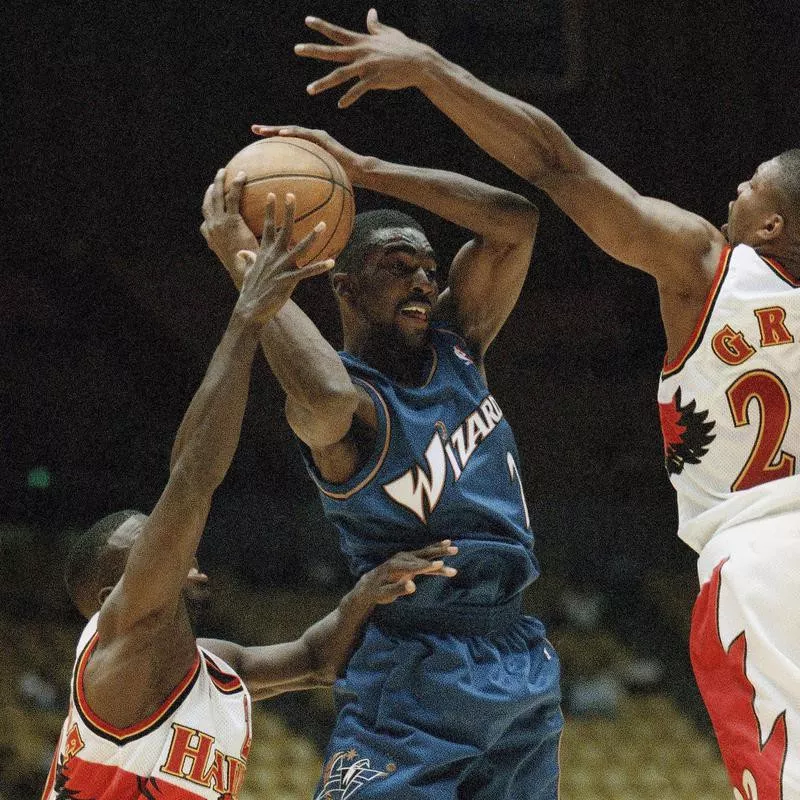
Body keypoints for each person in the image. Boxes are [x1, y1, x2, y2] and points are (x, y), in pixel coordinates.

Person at [292, 9, 800, 799]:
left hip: (761, 556)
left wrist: (429, 69)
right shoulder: (378, 384)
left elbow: (552, 166)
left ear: (771, 223)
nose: (734, 190)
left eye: (750, 187)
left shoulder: (706, 262)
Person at [41, 195, 458, 800]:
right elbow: (188, 482)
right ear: (112, 600)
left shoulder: (212, 667)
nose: (173, 540)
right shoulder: (116, 656)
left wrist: (367, 591)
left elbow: (317, 659)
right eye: (149, 541)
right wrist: (247, 319)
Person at [202, 126, 563, 799]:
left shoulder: (462, 344)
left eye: (429, 266)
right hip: (415, 667)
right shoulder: (348, 412)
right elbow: (320, 394)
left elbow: (517, 223)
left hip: (518, 655)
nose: (423, 280)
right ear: (345, 287)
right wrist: (250, 268)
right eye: (399, 266)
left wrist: (365, 167)